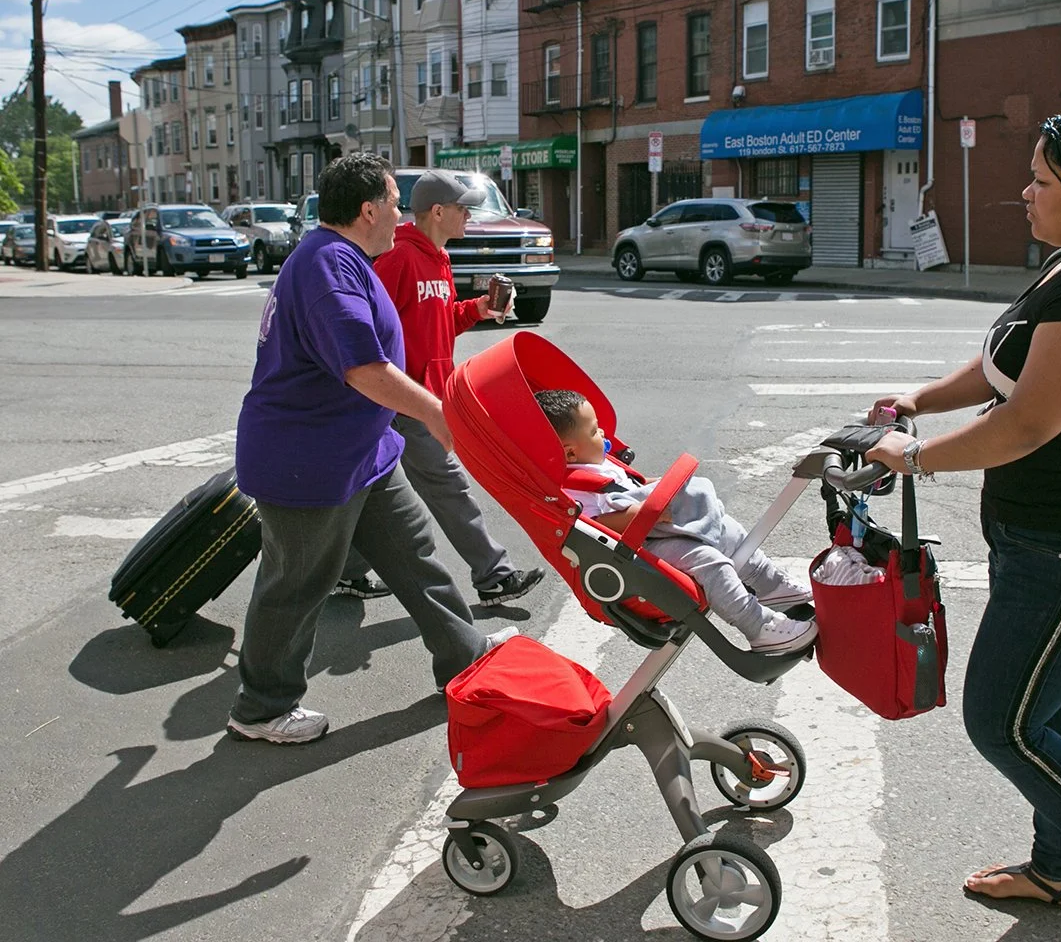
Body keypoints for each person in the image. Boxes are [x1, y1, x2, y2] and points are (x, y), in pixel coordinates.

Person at [863, 105, 1061, 942]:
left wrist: (914, 457)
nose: (1026, 192)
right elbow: (1008, 359)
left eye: (1044, 181)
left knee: (1002, 720)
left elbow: (1026, 423)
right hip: (1046, 541)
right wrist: (921, 398)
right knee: (1054, 709)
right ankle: (1056, 870)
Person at [228, 153, 503, 745]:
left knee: (416, 556)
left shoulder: (346, 259)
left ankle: (465, 658)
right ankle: (261, 707)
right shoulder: (329, 266)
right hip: (309, 463)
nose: (400, 215)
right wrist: (437, 412)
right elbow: (363, 369)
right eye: (395, 203)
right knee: (296, 584)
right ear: (368, 209)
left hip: (364, 454)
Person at [335, 171, 545, 608]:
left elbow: (439, 320)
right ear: (438, 212)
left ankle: (349, 573)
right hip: (405, 400)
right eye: (463, 209)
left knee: (374, 492)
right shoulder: (399, 259)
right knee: (448, 486)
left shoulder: (439, 257)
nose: (469, 216)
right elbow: (370, 325)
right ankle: (494, 575)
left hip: (428, 394)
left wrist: (479, 309)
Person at [535, 389, 818, 655]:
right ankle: (758, 627)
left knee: (728, 529)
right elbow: (593, 526)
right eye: (595, 431)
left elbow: (631, 486)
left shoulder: (598, 462)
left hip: (653, 531)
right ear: (570, 452)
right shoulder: (571, 489)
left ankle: (767, 582)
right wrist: (645, 512)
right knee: (708, 560)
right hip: (635, 548)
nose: (604, 433)